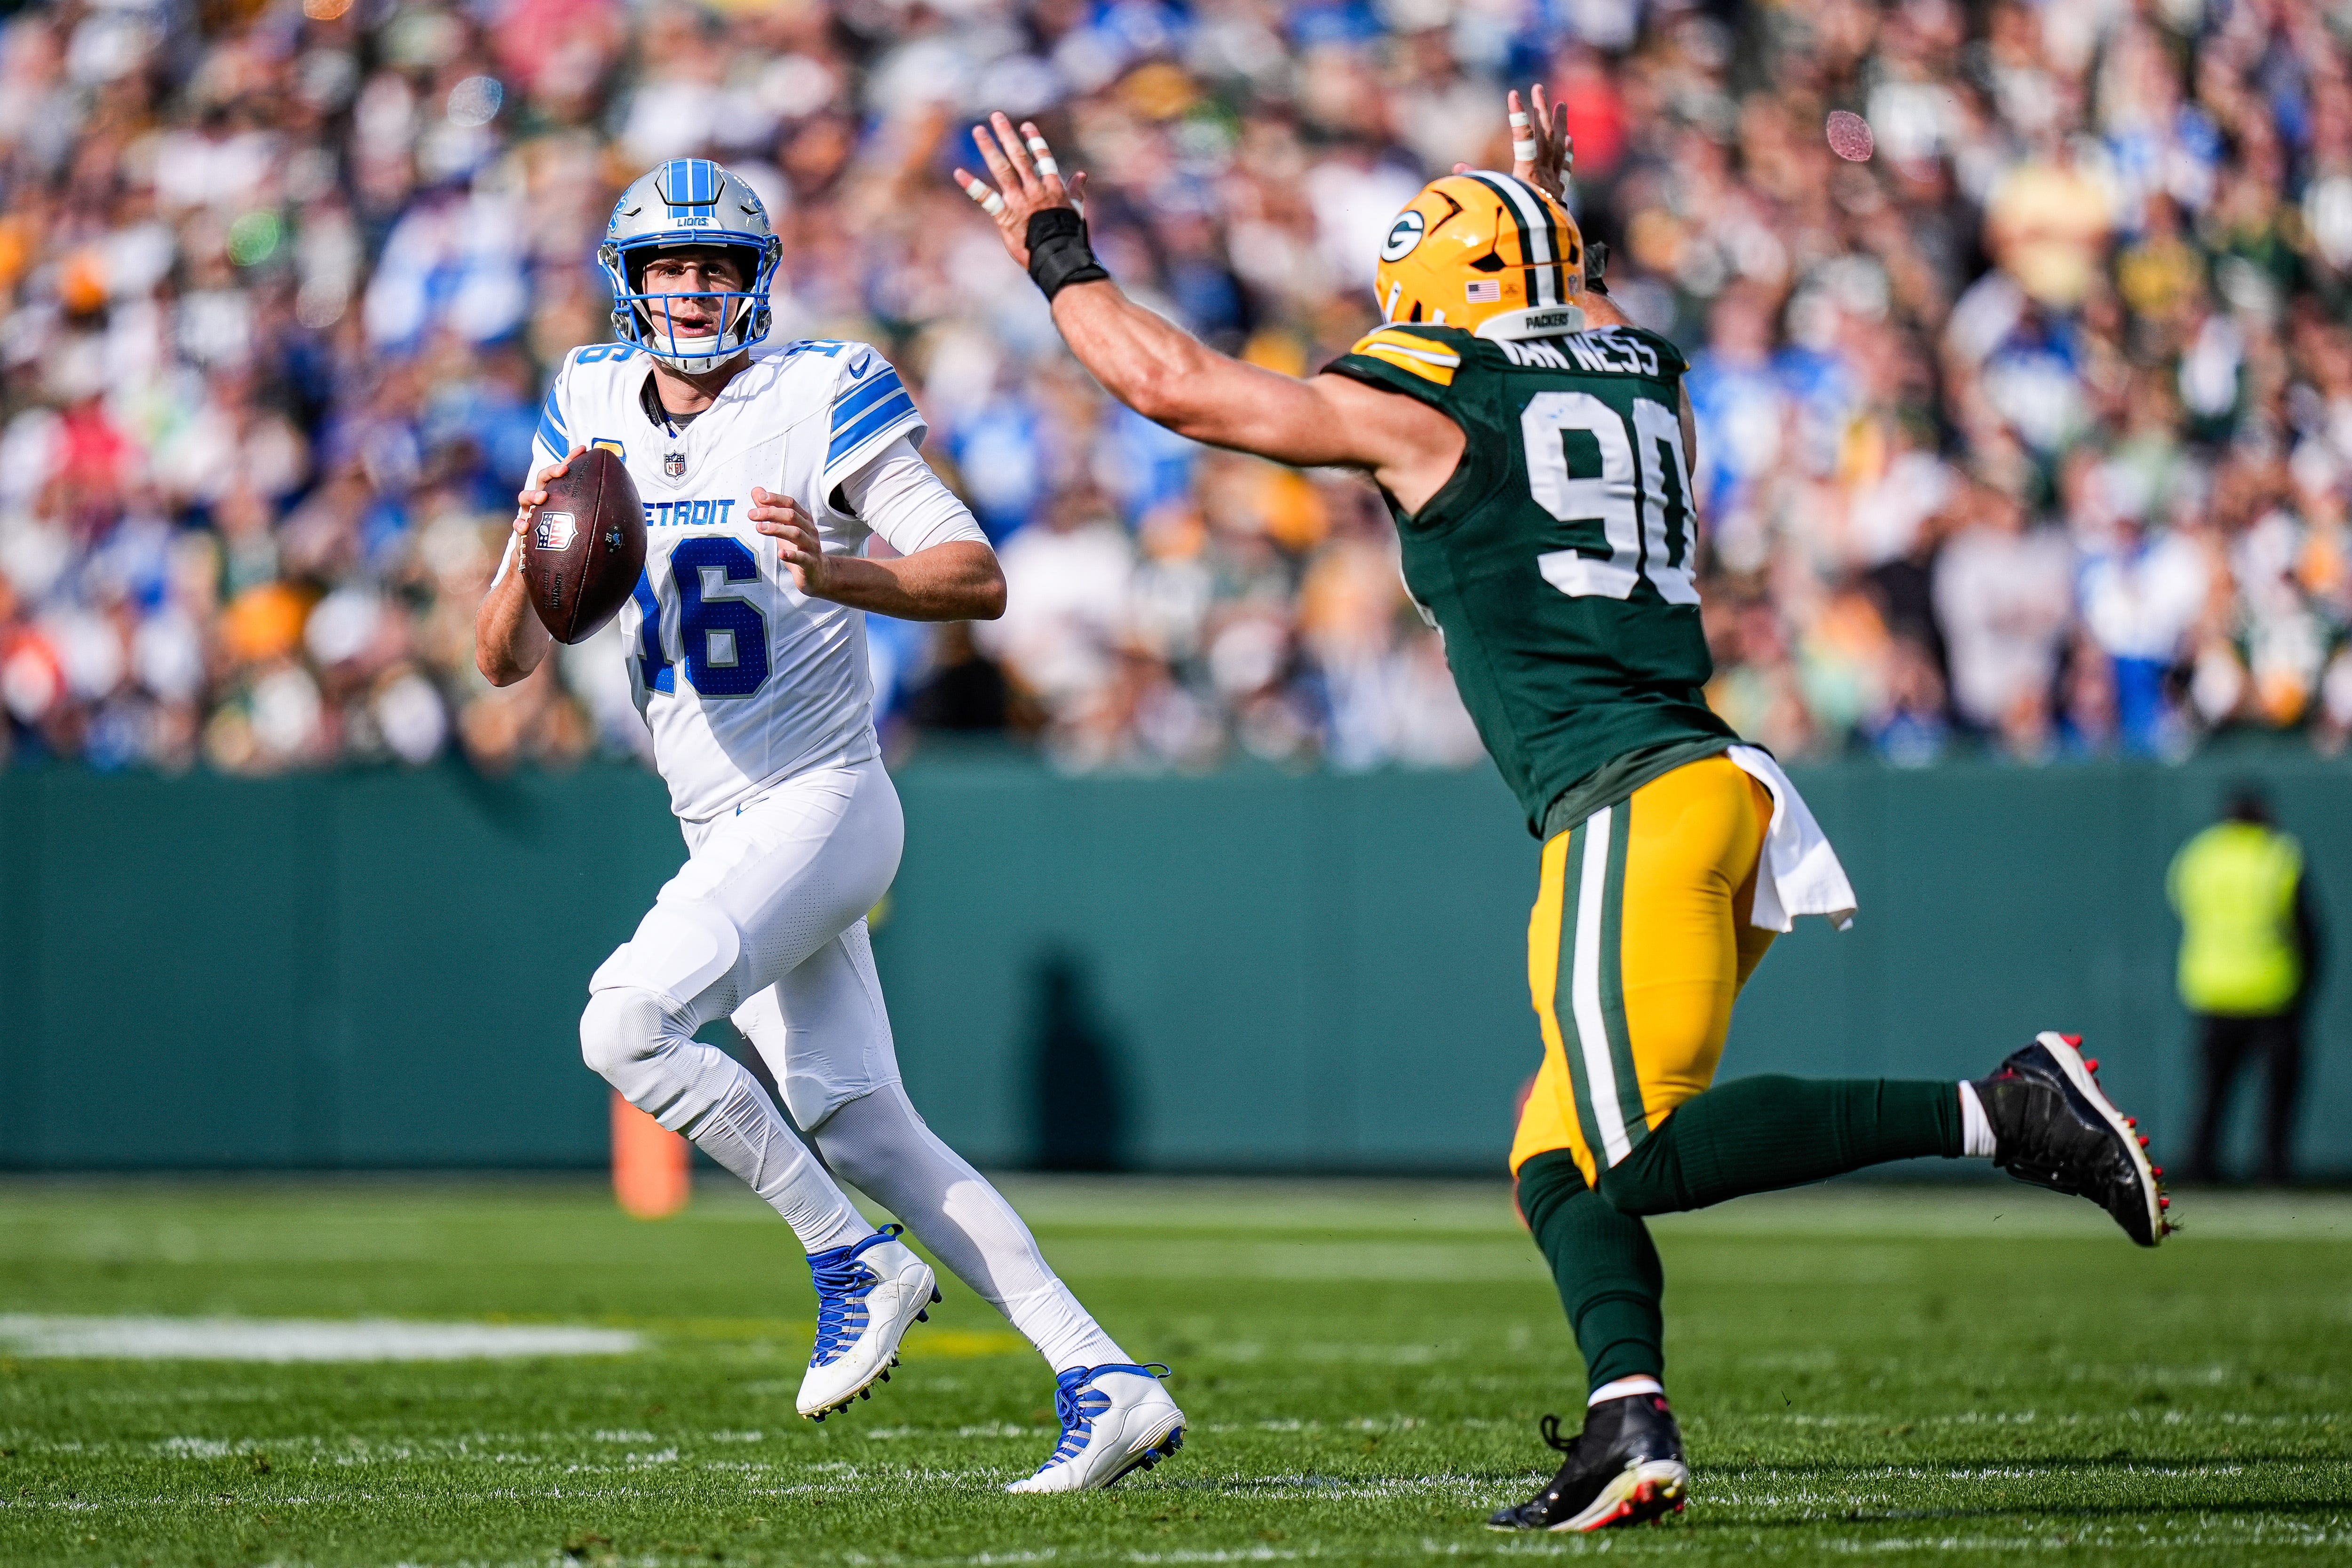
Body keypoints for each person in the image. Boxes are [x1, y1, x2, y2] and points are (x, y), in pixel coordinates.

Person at [953, 93, 2170, 1533]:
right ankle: (1623, 1415)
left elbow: (1174, 385)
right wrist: (1538, 200)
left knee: (1639, 1150)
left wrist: (1054, 249)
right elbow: (1564, 311)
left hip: (1627, 802)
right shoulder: (1639, 369)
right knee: (1555, 1156)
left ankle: (2003, 1105)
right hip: (1706, 791)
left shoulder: (1439, 404)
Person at [473, 158, 1183, 1493]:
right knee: (860, 1122)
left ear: (758, 279)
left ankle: (854, 1258)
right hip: (719, 823)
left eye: (719, 265)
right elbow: (504, 655)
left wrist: (837, 566)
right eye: (671, 266)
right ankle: (1104, 1375)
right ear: (628, 283)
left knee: (623, 1022)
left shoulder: (818, 390)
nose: (693, 289)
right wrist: (530, 546)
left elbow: (976, 574)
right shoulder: (583, 400)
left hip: (820, 797)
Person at [2171, 784, 2322, 1184]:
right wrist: (2307, 980)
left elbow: (2183, 903)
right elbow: (2306, 927)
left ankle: (2200, 1167)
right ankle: (2272, 1170)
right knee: (2277, 1094)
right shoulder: (2277, 854)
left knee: (2212, 1092)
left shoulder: (2201, 854)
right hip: (2271, 989)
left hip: (2211, 988)